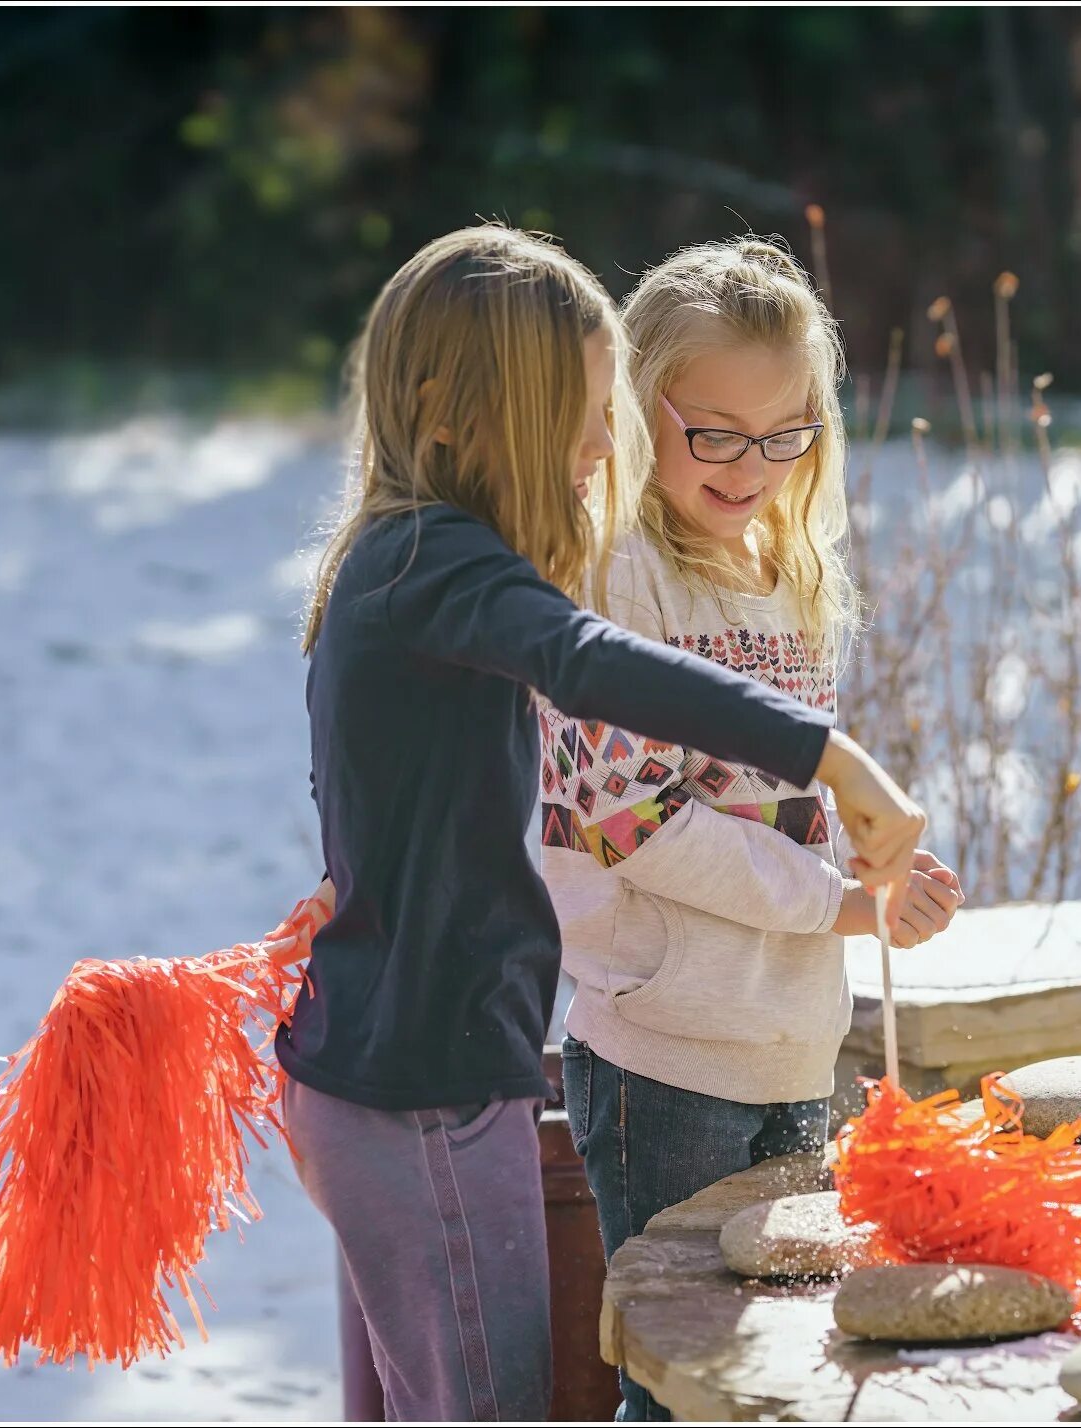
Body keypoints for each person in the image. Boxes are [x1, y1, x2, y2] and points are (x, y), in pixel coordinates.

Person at [277, 224, 926, 1422]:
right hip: (419, 1088)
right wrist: (828, 757)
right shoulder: (437, 565)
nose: (602, 440)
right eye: (585, 407)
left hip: (406, 1064)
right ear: (449, 406)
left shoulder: (404, 562)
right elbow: (586, 663)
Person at [538, 238, 963, 1420]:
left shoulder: (786, 574)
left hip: (789, 1029)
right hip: (663, 1054)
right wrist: (837, 902)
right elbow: (635, 824)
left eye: (785, 436)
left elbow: (782, 801)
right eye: (712, 432)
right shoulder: (609, 579)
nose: (750, 466)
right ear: (631, 408)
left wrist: (870, 871)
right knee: (677, 1381)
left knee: (776, 1370)